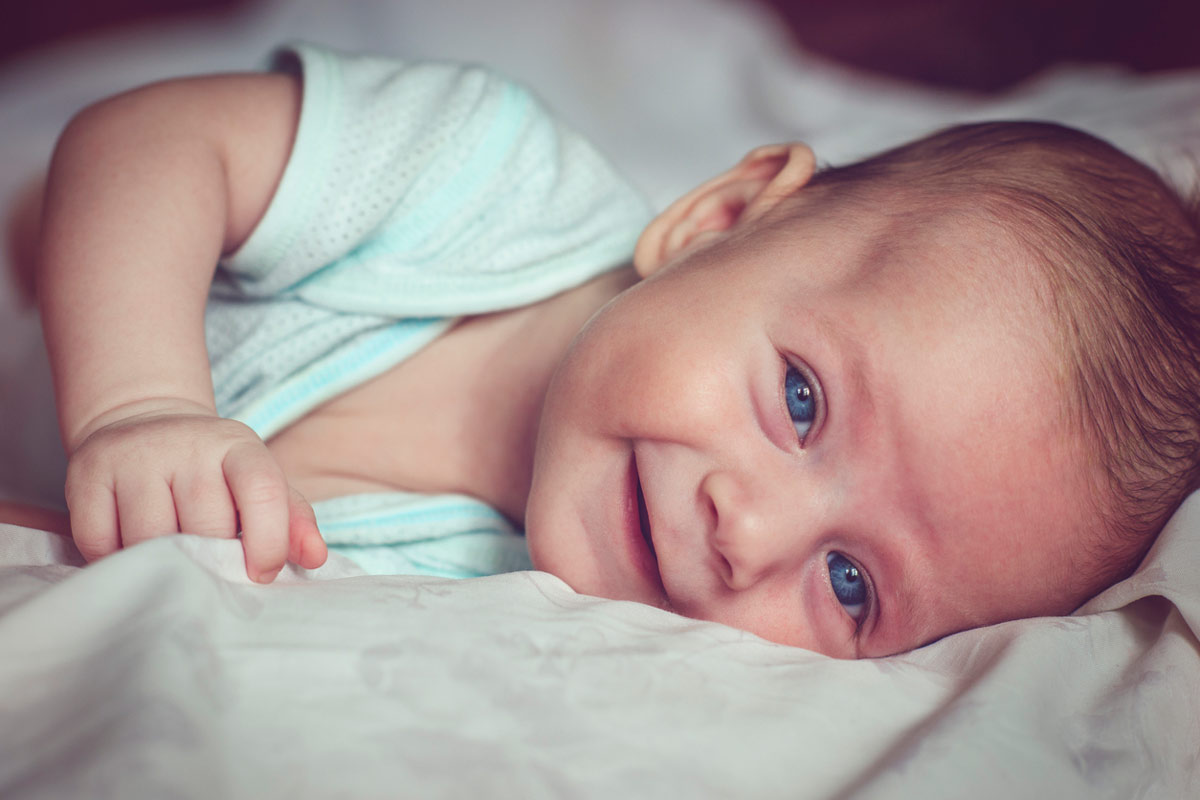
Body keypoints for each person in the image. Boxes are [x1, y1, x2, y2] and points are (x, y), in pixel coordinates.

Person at [4, 44, 1199, 659]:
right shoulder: (475, 176)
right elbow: (135, 145)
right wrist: (139, 404)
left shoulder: (523, 617)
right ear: (721, 220)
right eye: (800, 398)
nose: (752, 534)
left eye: (853, 583)